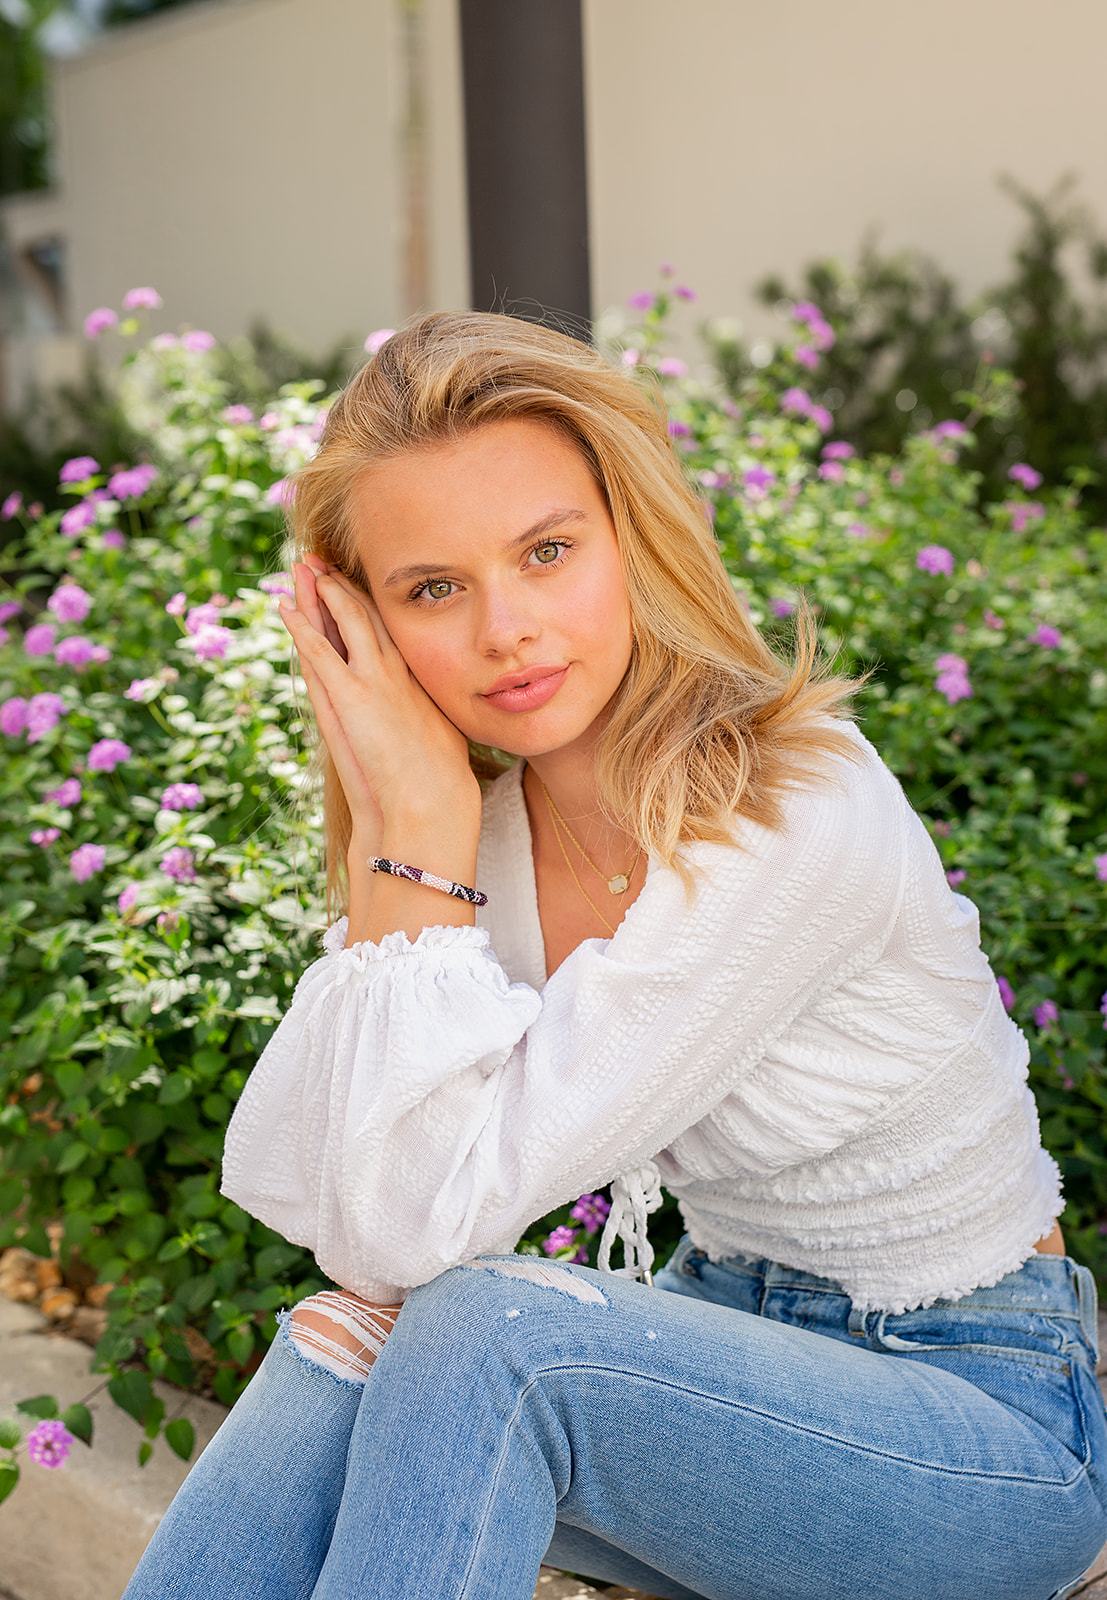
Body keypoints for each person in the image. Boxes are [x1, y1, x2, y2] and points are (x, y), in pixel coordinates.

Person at [120, 310, 1106, 1600]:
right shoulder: (488, 848)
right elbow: (368, 1241)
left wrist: (415, 828)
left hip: (973, 1430)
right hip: (721, 1370)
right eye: (432, 589)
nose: (506, 629)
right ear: (363, 627)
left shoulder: (791, 812)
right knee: (359, 1333)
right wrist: (409, 832)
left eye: (546, 552)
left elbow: (412, 1227)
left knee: (485, 1334)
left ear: (630, 542)